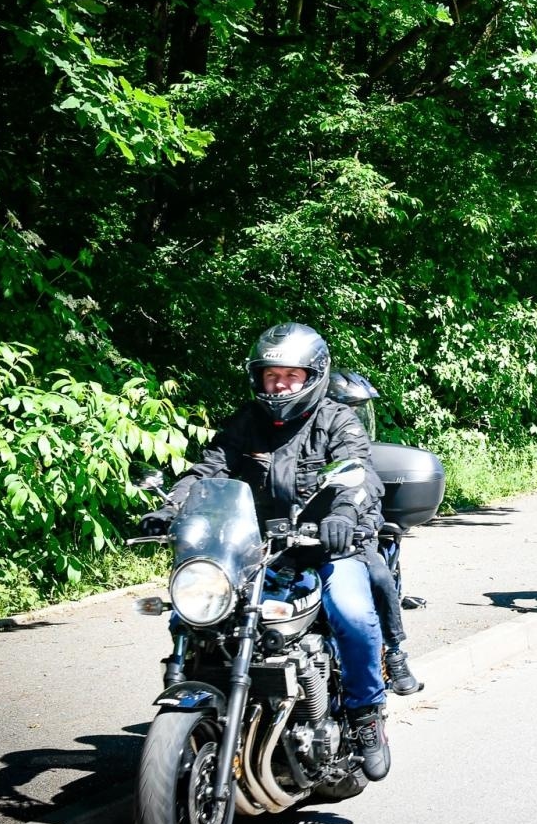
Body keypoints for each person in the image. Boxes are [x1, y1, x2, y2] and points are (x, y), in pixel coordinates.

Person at [139, 323, 393, 780]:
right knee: (195, 611)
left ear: (313, 376)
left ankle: (365, 715)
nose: (280, 386)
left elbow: (361, 471)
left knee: (352, 614)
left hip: (330, 544)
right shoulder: (247, 422)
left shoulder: (337, 420)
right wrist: (173, 507)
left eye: (291, 376)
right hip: (261, 548)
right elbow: (210, 468)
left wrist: (344, 515)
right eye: (272, 376)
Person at [327, 370, 422, 696]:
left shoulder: (356, 453)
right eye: (348, 409)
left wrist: (359, 529)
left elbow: (368, 500)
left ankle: (395, 652)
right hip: (303, 540)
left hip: (355, 536)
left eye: (359, 410)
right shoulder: (301, 444)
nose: (354, 418)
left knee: (379, 574)